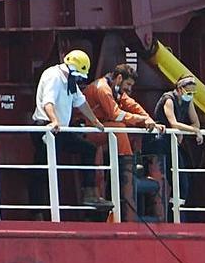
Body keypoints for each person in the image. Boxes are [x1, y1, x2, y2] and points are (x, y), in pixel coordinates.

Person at [82, 63, 166, 220]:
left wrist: (149, 120)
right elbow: (116, 115)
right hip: (84, 130)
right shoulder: (103, 89)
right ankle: (127, 167)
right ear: (119, 78)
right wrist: (141, 120)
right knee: (119, 127)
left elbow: (133, 106)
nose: (129, 89)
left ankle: (131, 164)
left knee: (124, 129)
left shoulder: (117, 91)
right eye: (128, 84)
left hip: (99, 128)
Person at [30, 49, 106, 209]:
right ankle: (37, 211)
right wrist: (54, 121)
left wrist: (95, 121)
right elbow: (47, 102)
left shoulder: (70, 80)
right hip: (46, 128)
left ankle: (90, 193)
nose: (79, 79)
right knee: (42, 172)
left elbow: (80, 102)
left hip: (61, 131)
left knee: (89, 149)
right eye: (78, 75)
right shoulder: (54, 77)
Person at [151, 75, 204, 215]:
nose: (191, 96)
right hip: (159, 142)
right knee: (178, 180)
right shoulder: (169, 99)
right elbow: (173, 123)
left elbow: (196, 122)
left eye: (193, 93)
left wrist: (186, 130)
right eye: (189, 93)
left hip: (173, 143)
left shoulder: (188, 101)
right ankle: (172, 215)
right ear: (180, 89)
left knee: (182, 182)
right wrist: (193, 130)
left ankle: (175, 214)